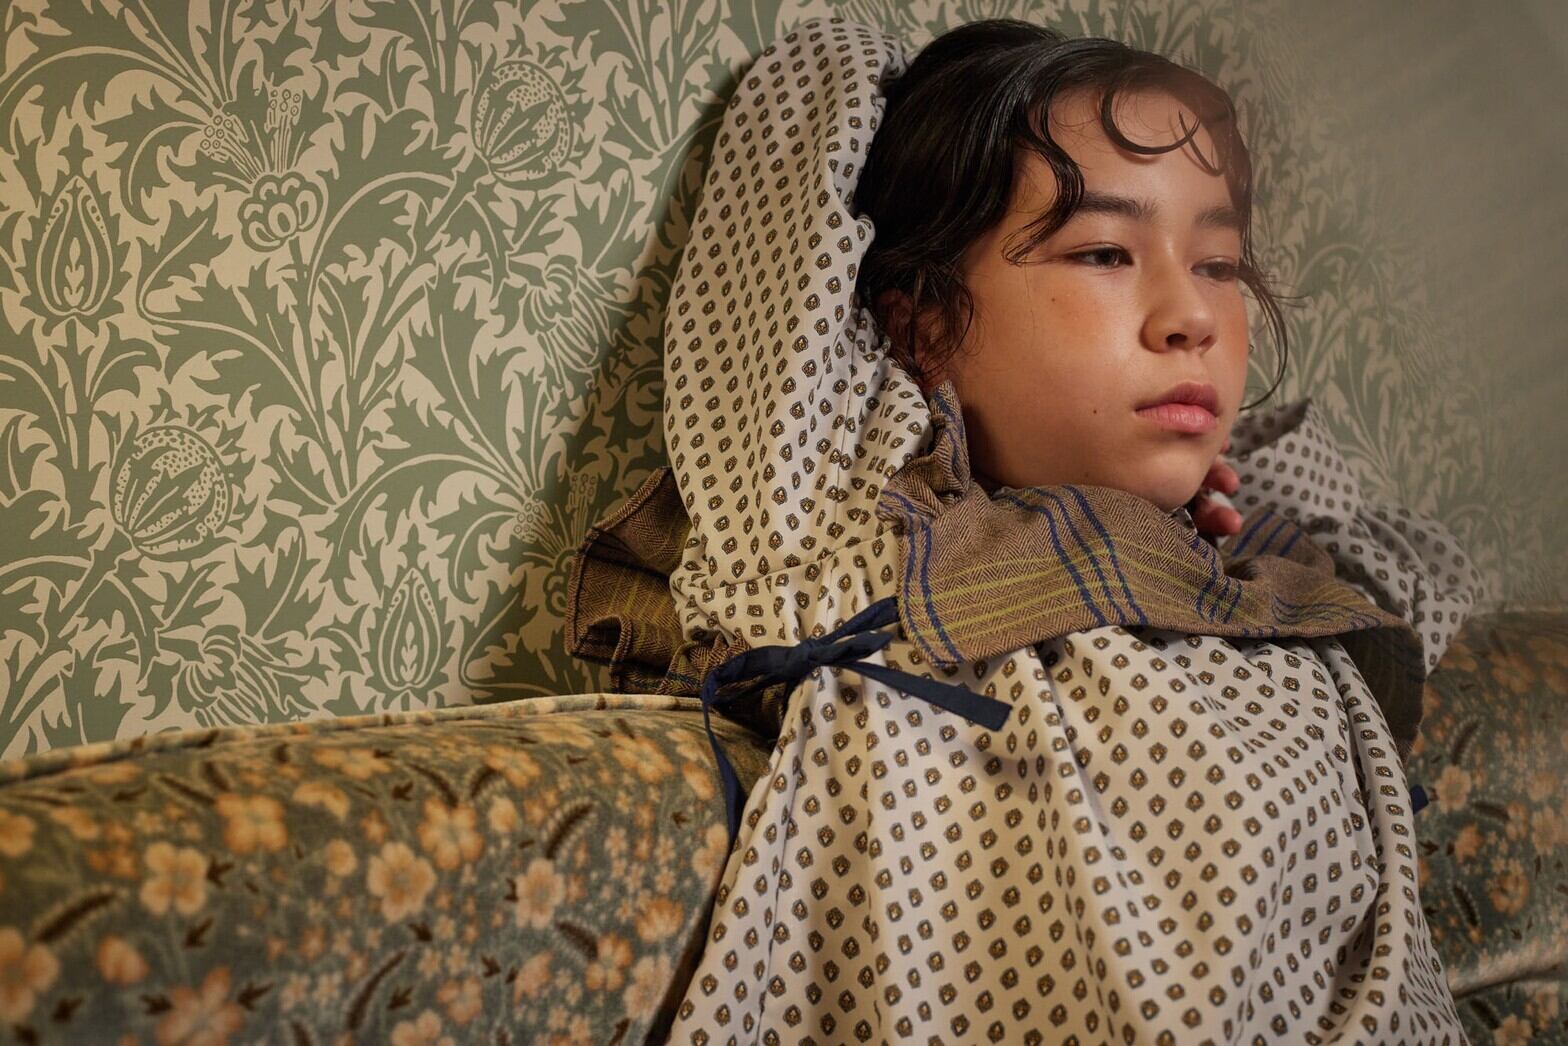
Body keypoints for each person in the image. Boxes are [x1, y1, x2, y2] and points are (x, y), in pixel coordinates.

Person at [658, 15, 1482, 1044]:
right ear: (917, 325)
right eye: (1103, 250)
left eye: (1219, 263)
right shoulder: (858, 540)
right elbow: (811, 85)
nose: (1193, 315)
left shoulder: (1264, 571)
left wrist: (1197, 504)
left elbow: (1433, 561)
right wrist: (943, 102)